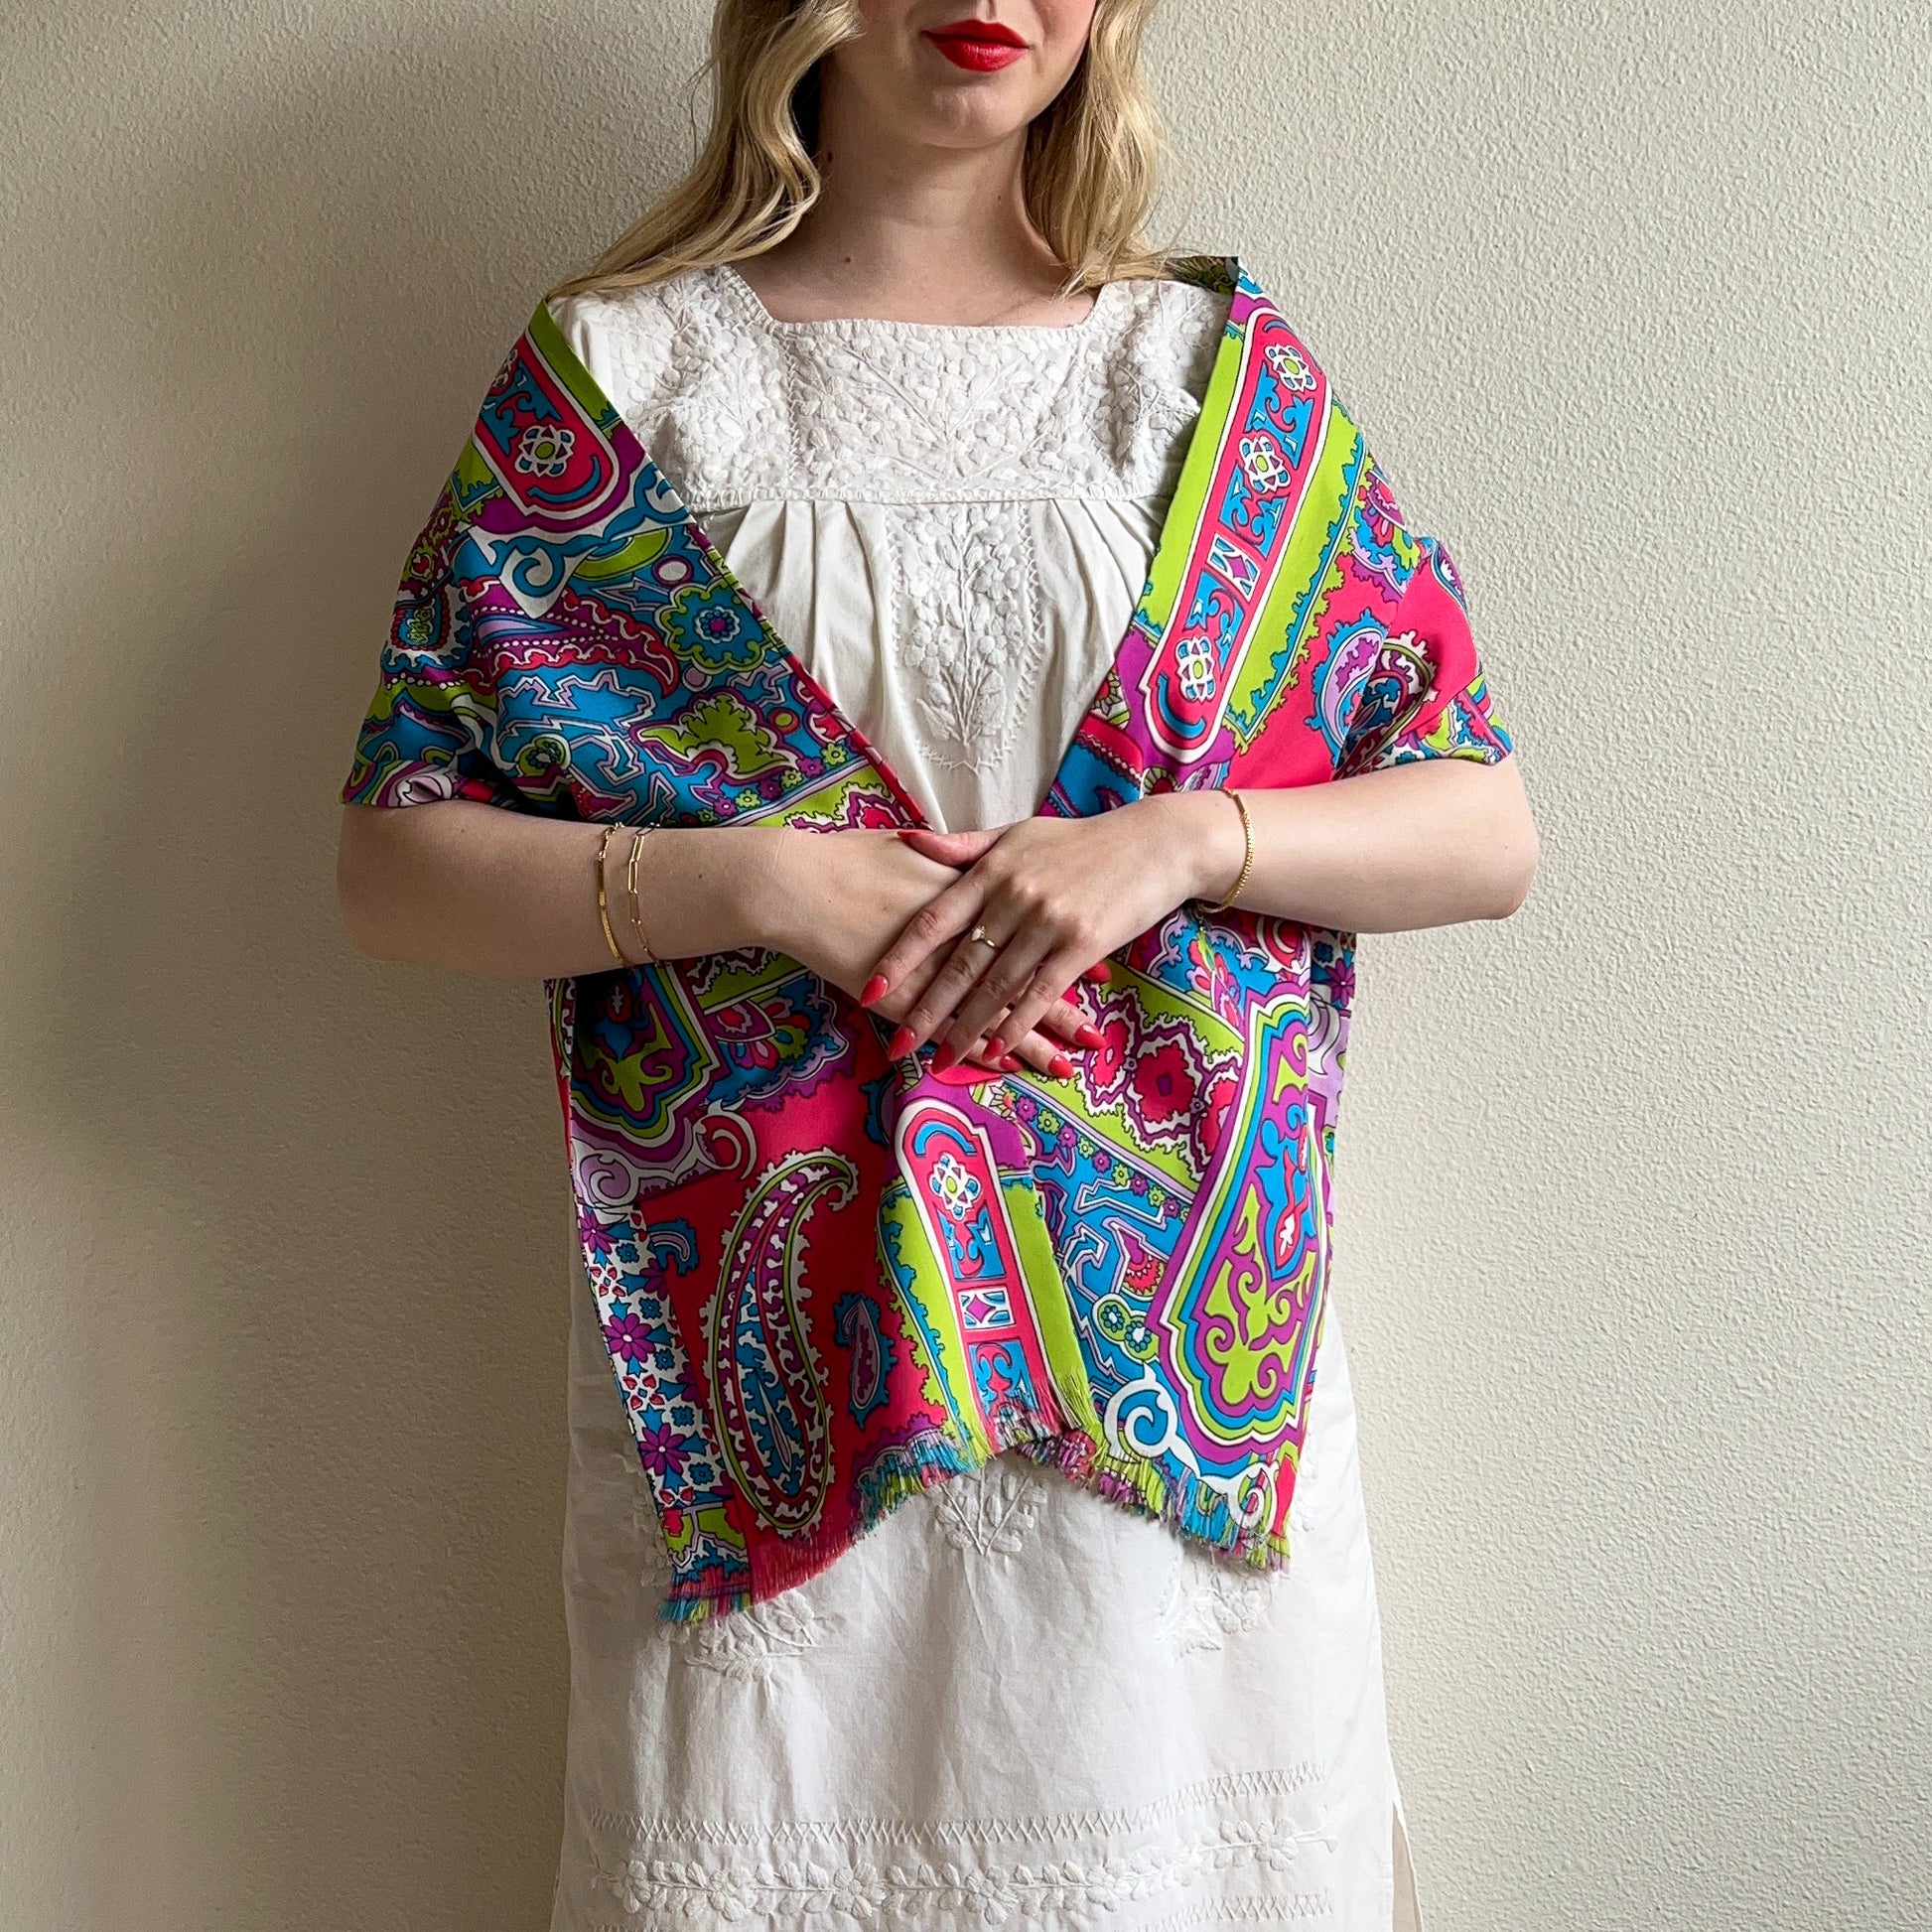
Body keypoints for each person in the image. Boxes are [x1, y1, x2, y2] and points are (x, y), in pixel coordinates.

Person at [335, 3, 1540, 1926]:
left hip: (1169, 1376)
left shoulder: (1202, 381)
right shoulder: (629, 383)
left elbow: (1481, 829)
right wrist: (764, 884)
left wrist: (1177, 841)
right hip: (771, 1400)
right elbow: (398, 868)